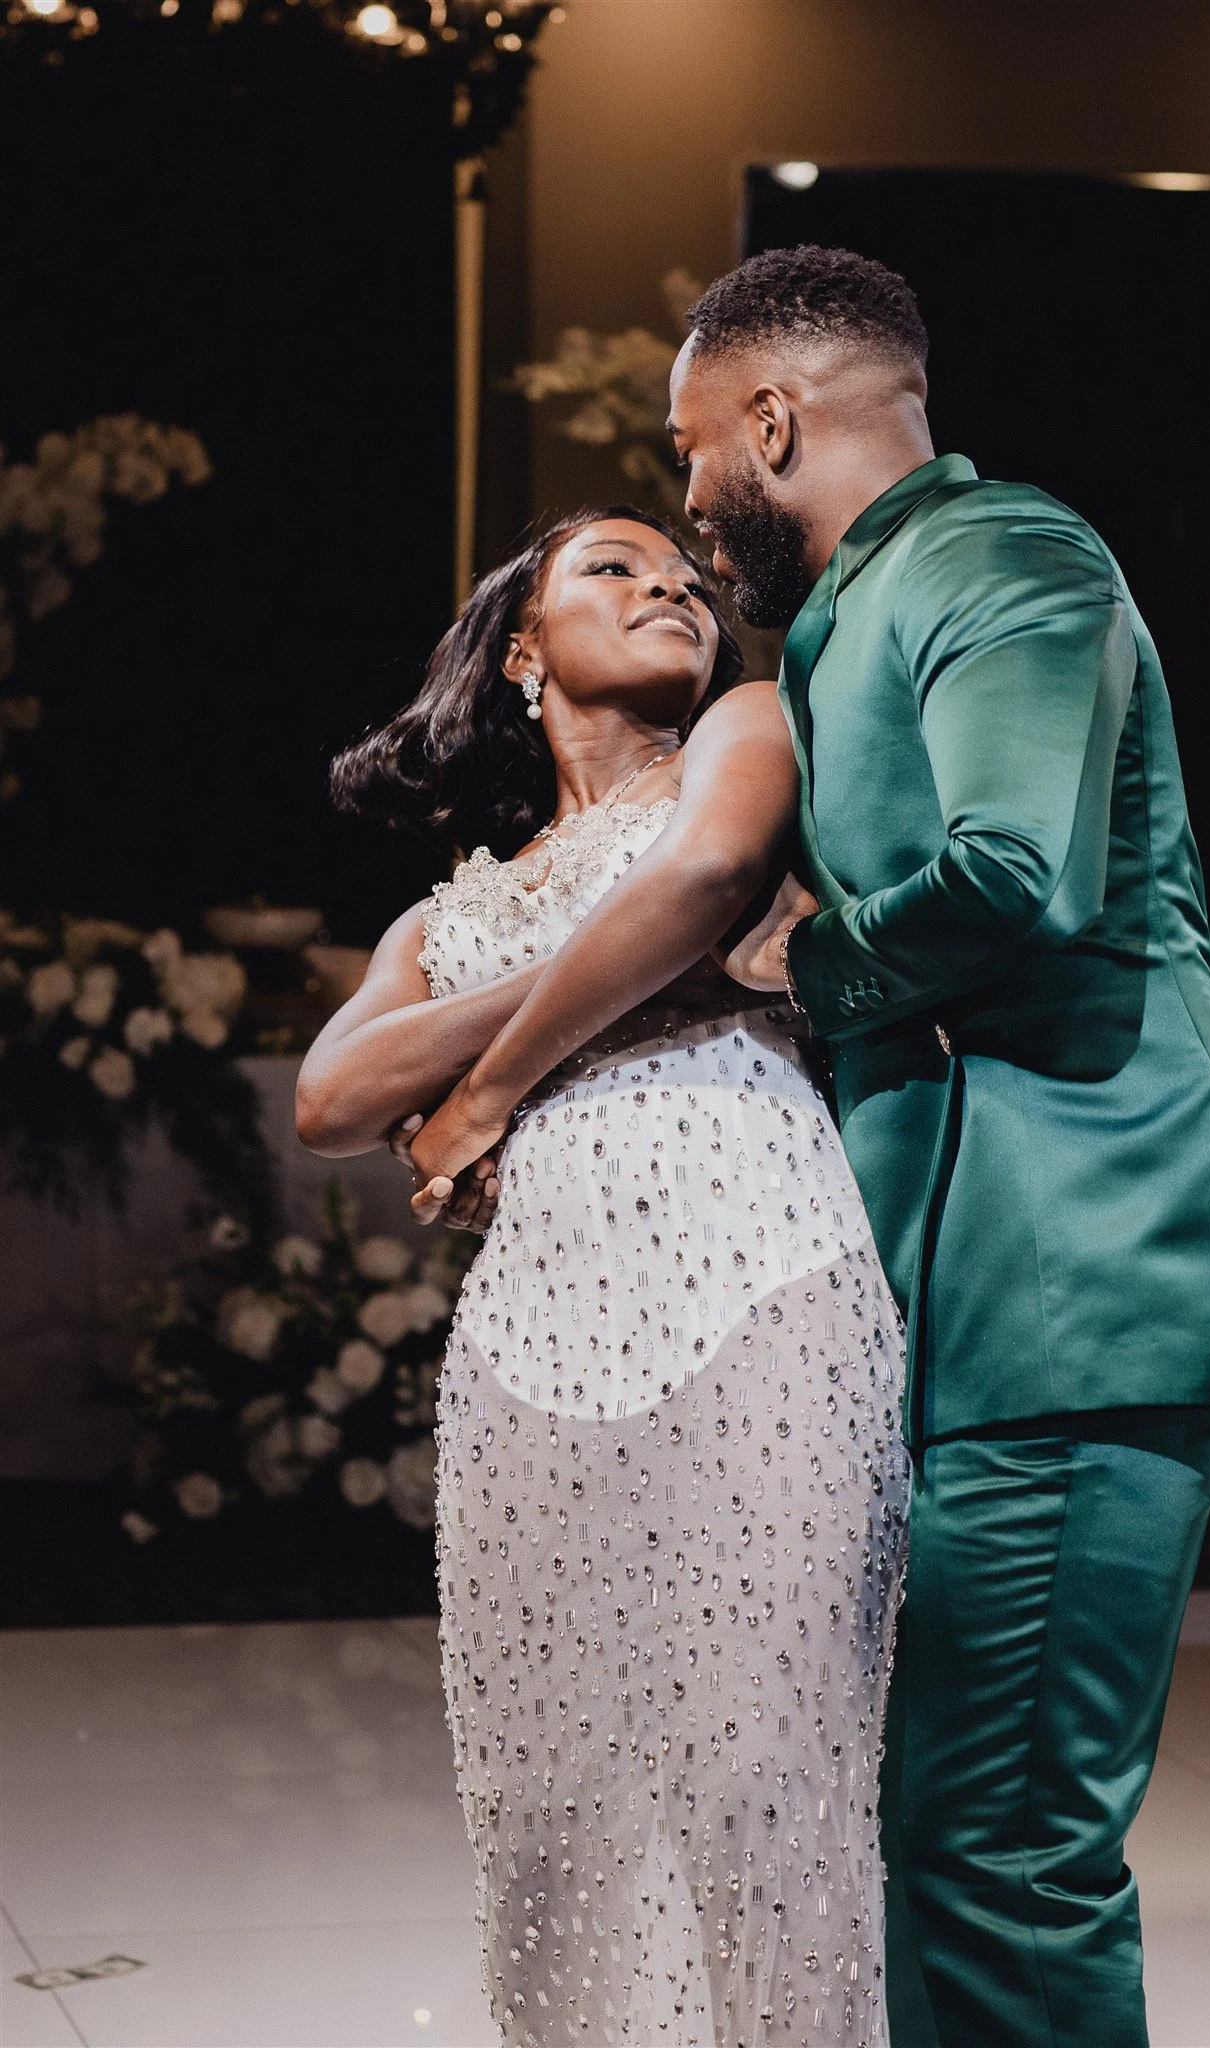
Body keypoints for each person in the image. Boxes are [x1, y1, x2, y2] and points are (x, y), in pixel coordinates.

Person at [649, 245, 1210, 2046]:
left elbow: (1013, 884)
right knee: (957, 1825)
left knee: (998, 1842)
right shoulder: (867, 602)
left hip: (1083, 1261)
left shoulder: (997, 555)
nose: (681, 498)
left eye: (685, 452)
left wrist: (795, 962)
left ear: (774, 418)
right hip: (996, 1285)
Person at [298, 508, 915, 2047]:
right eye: (615, 569)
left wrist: (491, 1087)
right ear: (520, 650)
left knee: (763, 1778)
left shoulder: (747, 736)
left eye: (688, 578)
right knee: (546, 1803)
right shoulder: (448, 910)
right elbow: (328, 1099)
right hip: (527, 1360)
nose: (669, 588)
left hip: (765, 1299)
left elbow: (705, 873)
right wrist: (597, 969)